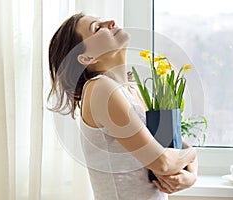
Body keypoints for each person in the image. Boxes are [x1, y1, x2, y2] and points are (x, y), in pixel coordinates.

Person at [48, 13, 198, 200]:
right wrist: (191, 154)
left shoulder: (134, 90)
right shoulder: (100, 89)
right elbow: (163, 163)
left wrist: (190, 175)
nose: (110, 22)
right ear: (87, 57)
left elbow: (175, 146)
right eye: (96, 27)